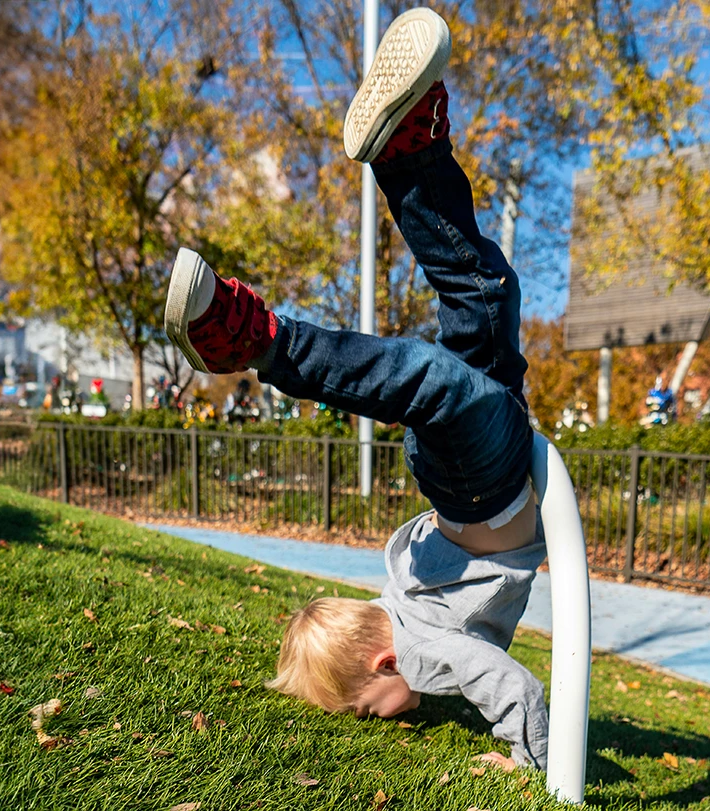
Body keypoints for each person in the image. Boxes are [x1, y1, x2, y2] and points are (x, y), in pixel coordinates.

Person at [162, 7, 547, 771]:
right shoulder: (395, 610)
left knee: (422, 377)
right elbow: (498, 669)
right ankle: (410, 156)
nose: (379, 718)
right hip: (471, 485)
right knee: (485, 295)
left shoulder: (422, 653)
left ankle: (256, 342)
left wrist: (529, 760)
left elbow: (512, 688)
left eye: (367, 709)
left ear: (384, 668)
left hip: (481, 489)